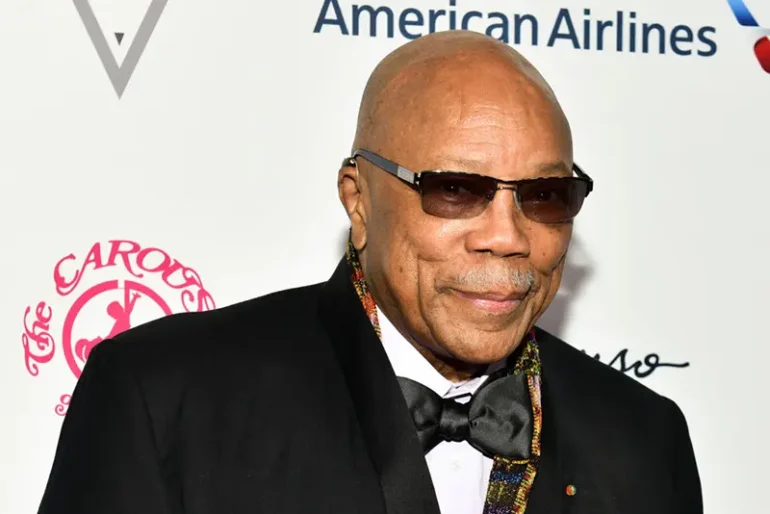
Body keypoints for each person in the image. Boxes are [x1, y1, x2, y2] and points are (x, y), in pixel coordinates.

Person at [37, 30, 702, 514]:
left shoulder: (642, 439)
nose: (507, 237)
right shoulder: (166, 398)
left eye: (545, 196)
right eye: (455, 189)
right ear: (359, 200)